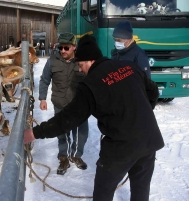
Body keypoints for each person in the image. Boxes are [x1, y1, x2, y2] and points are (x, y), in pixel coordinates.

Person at [25, 35, 164, 201]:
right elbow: (153, 91)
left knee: (103, 192)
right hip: (149, 139)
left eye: (80, 65)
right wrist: (141, 114)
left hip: (120, 147)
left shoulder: (91, 84)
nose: (80, 70)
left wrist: (35, 133)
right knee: (141, 192)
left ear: (90, 61)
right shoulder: (129, 67)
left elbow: (68, 119)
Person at [38, 33, 89, 175]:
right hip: (60, 102)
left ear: (74, 47)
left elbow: (91, 79)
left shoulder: (82, 61)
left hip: (79, 104)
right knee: (62, 132)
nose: (63, 51)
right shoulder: (52, 61)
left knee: (81, 133)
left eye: (66, 47)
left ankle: (76, 155)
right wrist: (42, 98)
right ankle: (64, 157)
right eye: (61, 47)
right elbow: (44, 80)